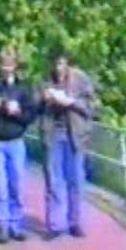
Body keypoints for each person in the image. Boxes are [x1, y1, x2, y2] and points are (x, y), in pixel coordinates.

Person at [0, 46, 37, 243]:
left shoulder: (23, 89)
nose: (6, 68)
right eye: (3, 64)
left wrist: (17, 111)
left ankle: (15, 225)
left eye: (9, 64)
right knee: (0, 186)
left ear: (15, 66)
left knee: (17, 185)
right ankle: (2, 225)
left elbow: (30, 117)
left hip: (15, 142)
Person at [39, 52, 95, 239]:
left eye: (62, 64)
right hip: (53, 135)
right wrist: (44, 99)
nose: (59, 69)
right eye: (56, 64)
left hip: (74, 136)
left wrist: (71, 102)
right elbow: (32, 106)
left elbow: (91, 107)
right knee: (54, 180)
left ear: (69, 65)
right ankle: (55, 225)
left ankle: (74, 223)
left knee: (75, 180)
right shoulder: (45, 81)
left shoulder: (81, 80)